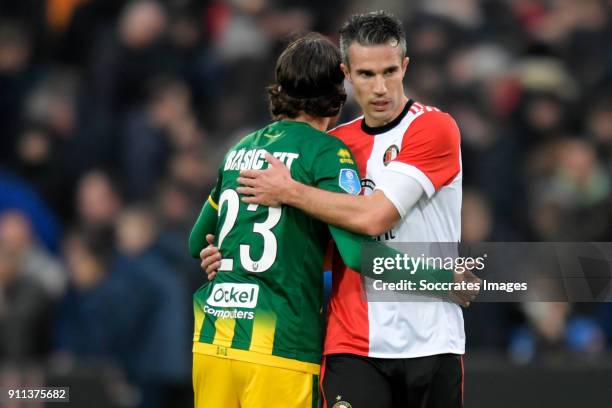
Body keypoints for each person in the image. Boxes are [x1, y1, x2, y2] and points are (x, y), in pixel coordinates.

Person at [202, 11, 475, 408]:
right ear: (346, 73)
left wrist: (290, 191)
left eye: (389, 72)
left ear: (406, 66)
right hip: (352, 344)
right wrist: (229, 256)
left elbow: (372, 218)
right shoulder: (333, 147)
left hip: (431, 339)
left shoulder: (433, 129)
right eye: (366, 75)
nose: (380, 88)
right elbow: (316, 246)